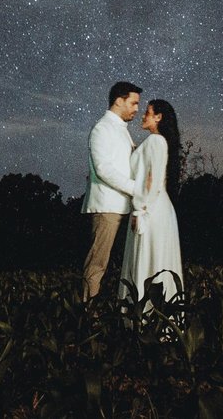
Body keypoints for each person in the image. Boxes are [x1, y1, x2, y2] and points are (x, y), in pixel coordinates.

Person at [120, 98, 184, 312]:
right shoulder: (156, 142)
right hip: (156, 208)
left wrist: (140, 209)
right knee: (154, 259)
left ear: (158, 117)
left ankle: (146, 318)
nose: (143, 115)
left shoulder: (156, 141)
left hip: (151, 209)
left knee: (149, 259)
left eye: (147, 112)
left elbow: (152, 180)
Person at [82, 81, 140, 300]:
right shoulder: (102, 128)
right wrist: (136, 189)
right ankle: (87, 315)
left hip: (124, 206)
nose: (136, 109)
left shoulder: (121, 130)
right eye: (133, 103)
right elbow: (103, 169)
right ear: (119, 101)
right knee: (97, 264)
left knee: (120, 266)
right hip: (107, 207)